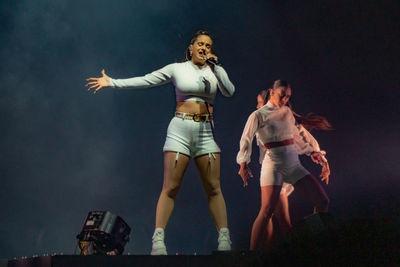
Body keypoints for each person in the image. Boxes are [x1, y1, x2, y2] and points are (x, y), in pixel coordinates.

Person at [86, 30, 235, 255]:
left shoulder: (216, 70)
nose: (204, 48)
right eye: (200, 44)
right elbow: (146, 79)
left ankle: (225, 239)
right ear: (191, 47)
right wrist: (112, 82)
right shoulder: (177, 68)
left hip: (206, 132)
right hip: (180, 130)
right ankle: (158, 240)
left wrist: (216, 68)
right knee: (171, 187)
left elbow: (230, 91)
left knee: (214, 187)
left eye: (208, 45)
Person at [237, 80, 330, 251]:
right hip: (273, 165)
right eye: (282, 95)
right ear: (272, 92)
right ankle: (252, 257)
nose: (285, 99)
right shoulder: (258, 115)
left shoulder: (287, 112)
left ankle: (318, 244)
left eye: (288, 96)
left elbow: (298, 136)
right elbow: (246, 139)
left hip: (293, 164)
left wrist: (313, 153)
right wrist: (243, 163)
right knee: (266, 211)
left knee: (322, 201)